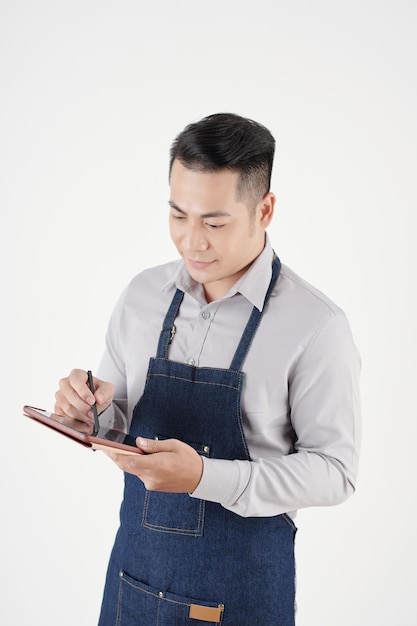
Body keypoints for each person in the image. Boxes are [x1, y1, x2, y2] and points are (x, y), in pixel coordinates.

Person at [55, 113, 361, 625]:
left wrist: (204, 476)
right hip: (133, 586)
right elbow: (119, 419)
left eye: (214, 223)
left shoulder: (316, 325)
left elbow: (336, 472)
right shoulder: (141, 297)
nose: (192, 241)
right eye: (178, 215)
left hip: (243, 600)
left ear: (264, 209)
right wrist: (89, 415)